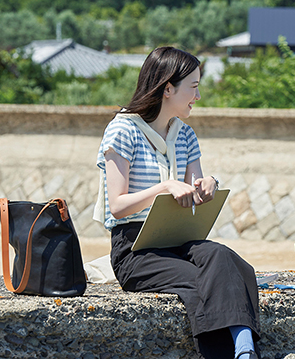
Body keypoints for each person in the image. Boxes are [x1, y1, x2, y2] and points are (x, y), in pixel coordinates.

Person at [95, 47, 260, 359]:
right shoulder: (123, 129)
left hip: (179, 239)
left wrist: (208, 185)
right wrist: (164, 187)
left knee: (223, 257)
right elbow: (116, 206)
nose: (197, 96)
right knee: (210, 281)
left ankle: (245, 351)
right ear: (168, 88)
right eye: (193, 87)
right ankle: (242, 350)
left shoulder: (185, 135)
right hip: (135, 249)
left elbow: (194, 193)